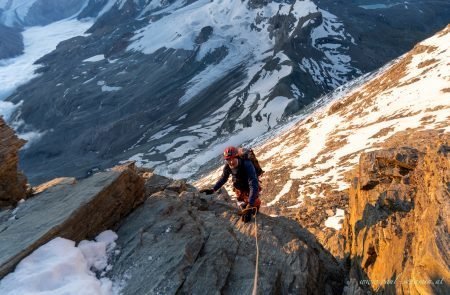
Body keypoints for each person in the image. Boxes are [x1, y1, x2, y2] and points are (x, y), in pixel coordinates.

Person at [200, 146, 261, 222]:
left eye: (233, 158)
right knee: (242, 202)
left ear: (237, 157)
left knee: (254, 204)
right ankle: (246, 207)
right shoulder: (227, 167)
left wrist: (250, 204)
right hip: (239, 188)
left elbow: (253, 184)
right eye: (228, 159)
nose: (231, 162)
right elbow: (223, 178)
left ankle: (254, 211)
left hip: (249, 187)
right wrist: (213, 190)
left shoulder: (246, 164)